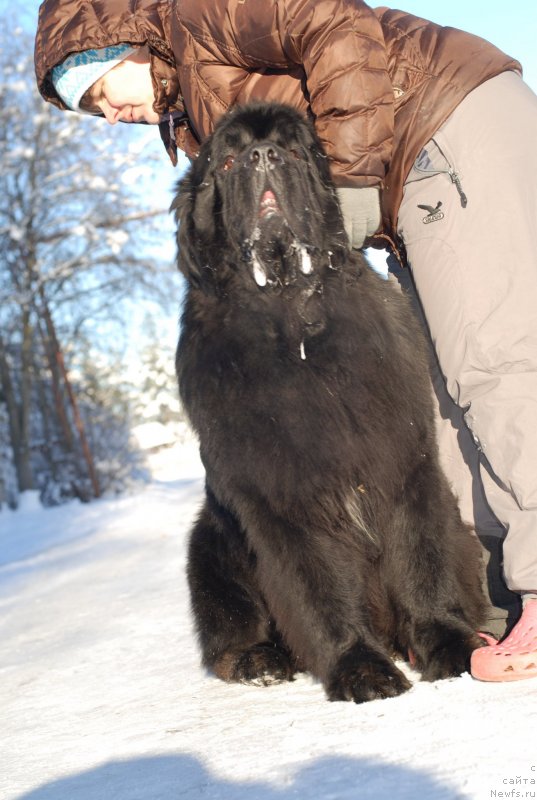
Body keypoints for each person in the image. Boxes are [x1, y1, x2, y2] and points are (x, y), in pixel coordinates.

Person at [34, 0, 537, 683]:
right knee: (442, 392)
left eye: (98, 93)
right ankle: (492, 598)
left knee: (495, 362)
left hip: (446, 121)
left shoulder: (201, 15)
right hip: (405, 169)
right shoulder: (194, 101)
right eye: (91, 112)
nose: (110, 115)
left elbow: (340, 25)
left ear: (118, 45)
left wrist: (351, 179)